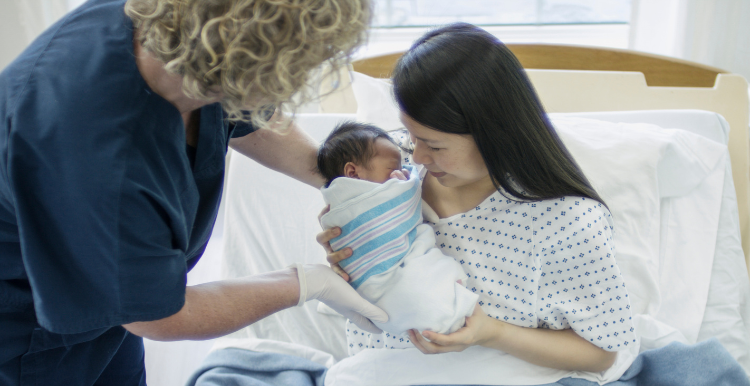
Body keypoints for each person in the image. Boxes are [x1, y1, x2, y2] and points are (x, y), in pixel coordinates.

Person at [0, 0, 387, 385]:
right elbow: (159, 317)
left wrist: (342, 183)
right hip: (28, 336)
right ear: (246, 60)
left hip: (107, 305)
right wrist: (307, 283)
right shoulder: (99, 159)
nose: (297, 82)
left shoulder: (160, 32)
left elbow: (244, 110)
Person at [318, 23, 637, 373]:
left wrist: (491, 333)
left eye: (435, 145)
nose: (418, 157)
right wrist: (353, 255)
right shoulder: (390, 179)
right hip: (380, 372)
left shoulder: (566, 222)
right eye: (411, 137)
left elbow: (602, 352)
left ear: (493, 134)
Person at [316, 121, 478, 346]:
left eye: (433, 144)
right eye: (394, 168)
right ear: (352, 173)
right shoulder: (372, 194)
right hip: (375, 289)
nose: (407, 169)